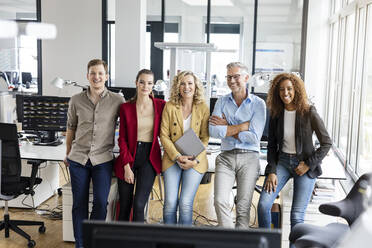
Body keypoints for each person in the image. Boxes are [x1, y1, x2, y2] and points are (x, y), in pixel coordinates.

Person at [257, 73, 332, 240]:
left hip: (304, 165)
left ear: (296, 90)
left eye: (289, 89)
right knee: (263, 205)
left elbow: (327, 143)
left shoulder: (309, 112)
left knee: (297, 216)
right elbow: (271, 146)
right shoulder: (276, 113)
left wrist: (308, 164)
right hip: (282, 162)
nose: (285, 93)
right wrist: (272, 170)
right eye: (281, 89)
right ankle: (267, 244)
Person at [64, 59, 124, 248]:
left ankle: (92, 241)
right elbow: (71, 128)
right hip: (78, 158)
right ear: (87, 76)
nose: (96, 77)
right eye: (92, 73)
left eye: (100, 73)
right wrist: (67, 153)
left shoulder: (117, 99)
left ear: (106, 76)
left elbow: (128, 124)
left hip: (103, 159)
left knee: (100, 202)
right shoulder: (76, 99)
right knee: (78, 204)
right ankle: (80, 244)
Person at [209, 62, 266, 229]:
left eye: (236, 76)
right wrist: (242, 126)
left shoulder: (258, 104)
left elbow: (254, 138)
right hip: (226, 157)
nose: (232, 80)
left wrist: (227, 127)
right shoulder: (221, 101)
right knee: (219, 200)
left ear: (246, 78)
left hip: (249, 158)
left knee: (243, 207)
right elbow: (213, 130)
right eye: (229, 77)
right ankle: (229, 240)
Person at [114, 69, 166, 222]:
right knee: (124, 205)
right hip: (128, 156)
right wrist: (126, 166)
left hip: (149, 157)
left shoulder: (161, 105)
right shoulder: (126, 107)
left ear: (153, 86)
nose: (145, 86)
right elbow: (122, 138)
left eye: (149, 83)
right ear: (136, 83)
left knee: (139, 205)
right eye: (142, 82)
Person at [160, 70, 209, 225]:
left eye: (190, 83)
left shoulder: (203, 107)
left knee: (185, 203)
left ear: (196, 86)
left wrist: (194, 160)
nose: (186, 87)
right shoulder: (170, 106)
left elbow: (205, 137)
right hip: (172, 158)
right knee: (170, 204)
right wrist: (177, 156)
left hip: (195, 159)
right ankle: (168, 242)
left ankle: (184, 242)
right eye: (182, 83)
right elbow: (164, 135)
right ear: (177, 86)